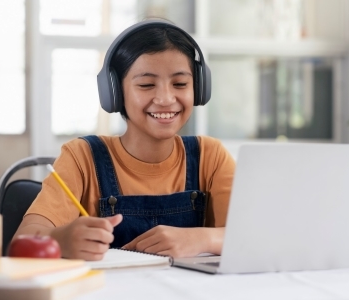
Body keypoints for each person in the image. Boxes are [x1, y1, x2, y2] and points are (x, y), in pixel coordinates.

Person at [13, 19, 235, 261]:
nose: (165, 98)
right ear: (115, 93)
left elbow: (253, 237)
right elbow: (21, 243)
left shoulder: (210, 156)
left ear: (199, 88)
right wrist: (62, 240)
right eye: (146, 84)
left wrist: (203, 239)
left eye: (180, 84)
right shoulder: (82, 157)